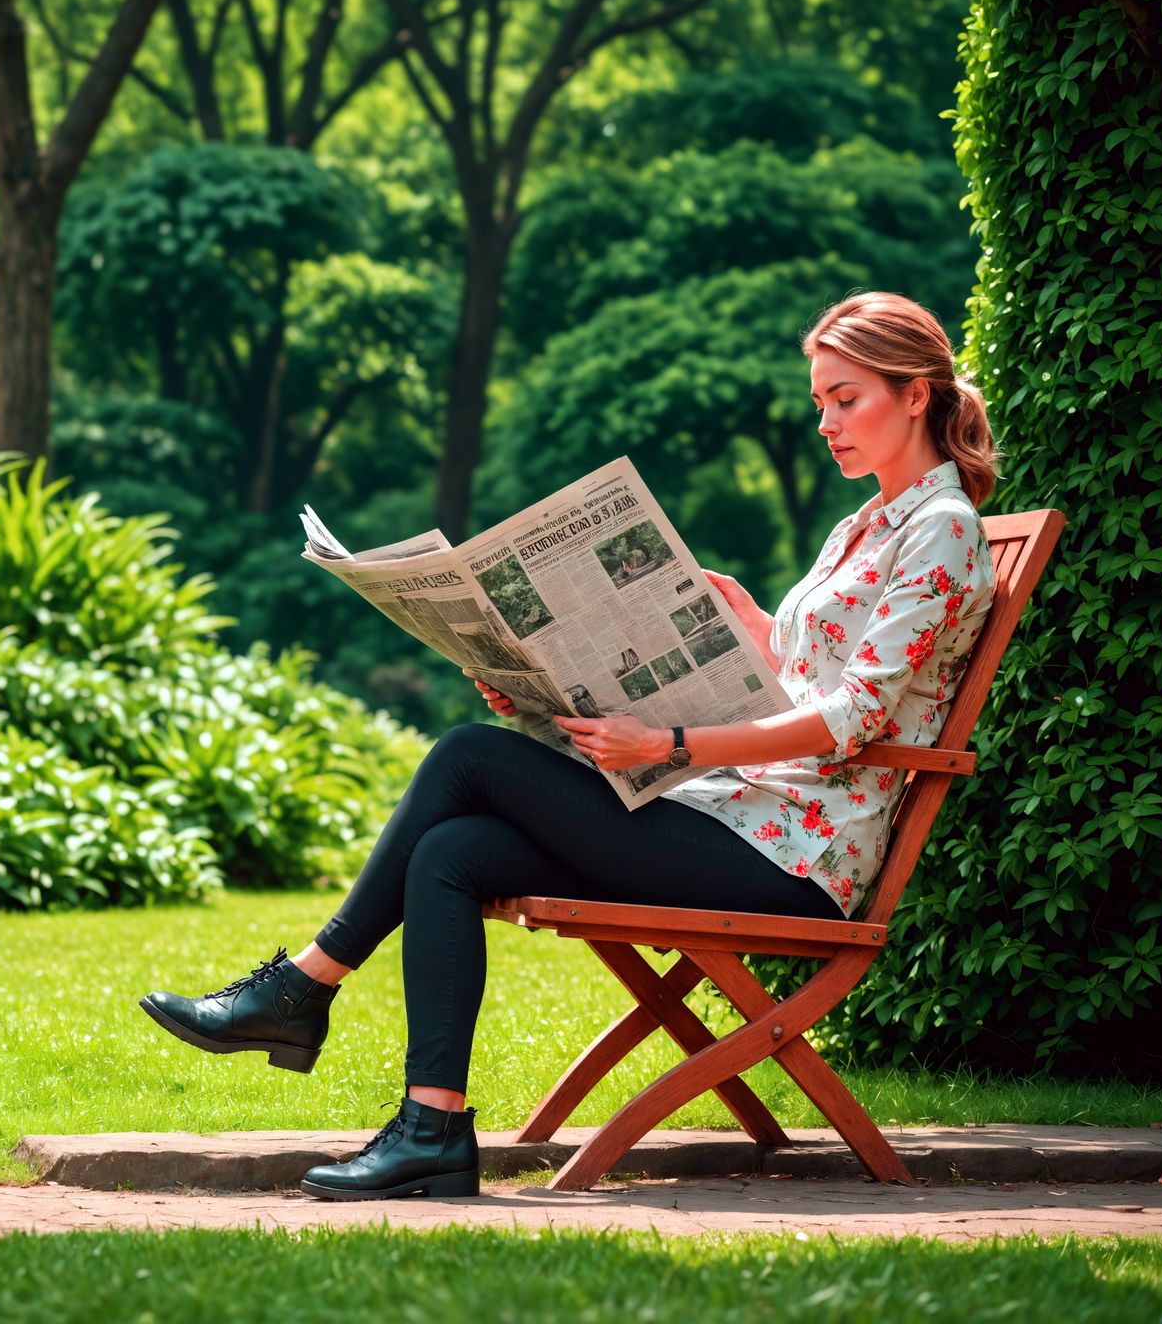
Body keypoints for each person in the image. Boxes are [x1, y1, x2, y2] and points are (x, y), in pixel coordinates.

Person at [139, 291, 1001, 1202]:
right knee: (451, 852)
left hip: (797, 856)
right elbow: (806, 676)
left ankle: (300, 989)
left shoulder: (941, 530)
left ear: (916, 396)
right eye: (818, 400)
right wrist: (725, 631)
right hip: (743, 814)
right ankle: (431, 1130)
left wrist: (669, 740)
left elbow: (854, 719)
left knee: (468, 756)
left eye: (845, 398)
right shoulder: (867, 522)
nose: (825, 420)